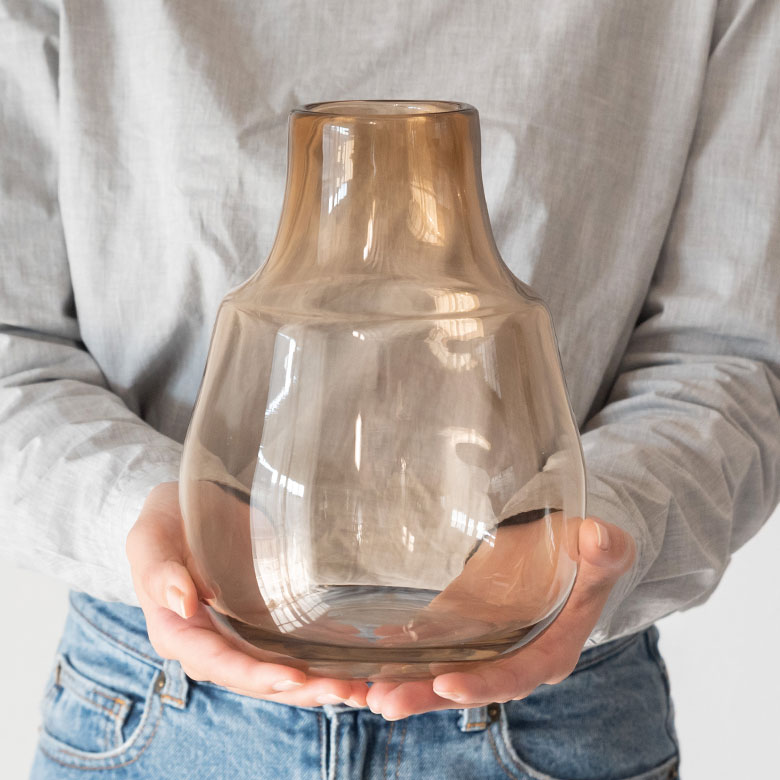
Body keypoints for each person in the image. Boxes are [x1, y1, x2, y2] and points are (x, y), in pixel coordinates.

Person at [1, 1, 778, 778]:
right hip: (158, 696)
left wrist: (588, 528)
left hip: (550, 697)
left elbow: (731, 356)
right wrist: (146, 513)